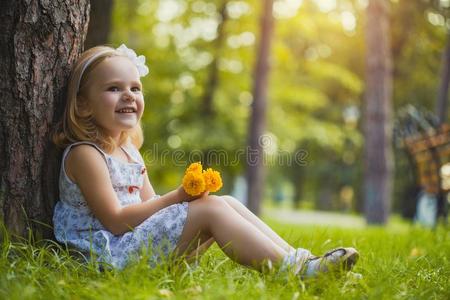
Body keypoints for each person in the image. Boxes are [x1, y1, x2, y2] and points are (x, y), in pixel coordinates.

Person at [52, 44, 359, 278]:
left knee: (223, 201)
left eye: (135, 88)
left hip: (131, 246)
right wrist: (180, 198)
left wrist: (188, 198)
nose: (129, 95)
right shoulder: (86, 154)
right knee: (210, 209)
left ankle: (304, 262)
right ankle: (298, 274)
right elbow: (116, 220)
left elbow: (152, 204)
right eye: (113, 88)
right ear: (83, 104)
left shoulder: (129, 150)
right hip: (108, 258)